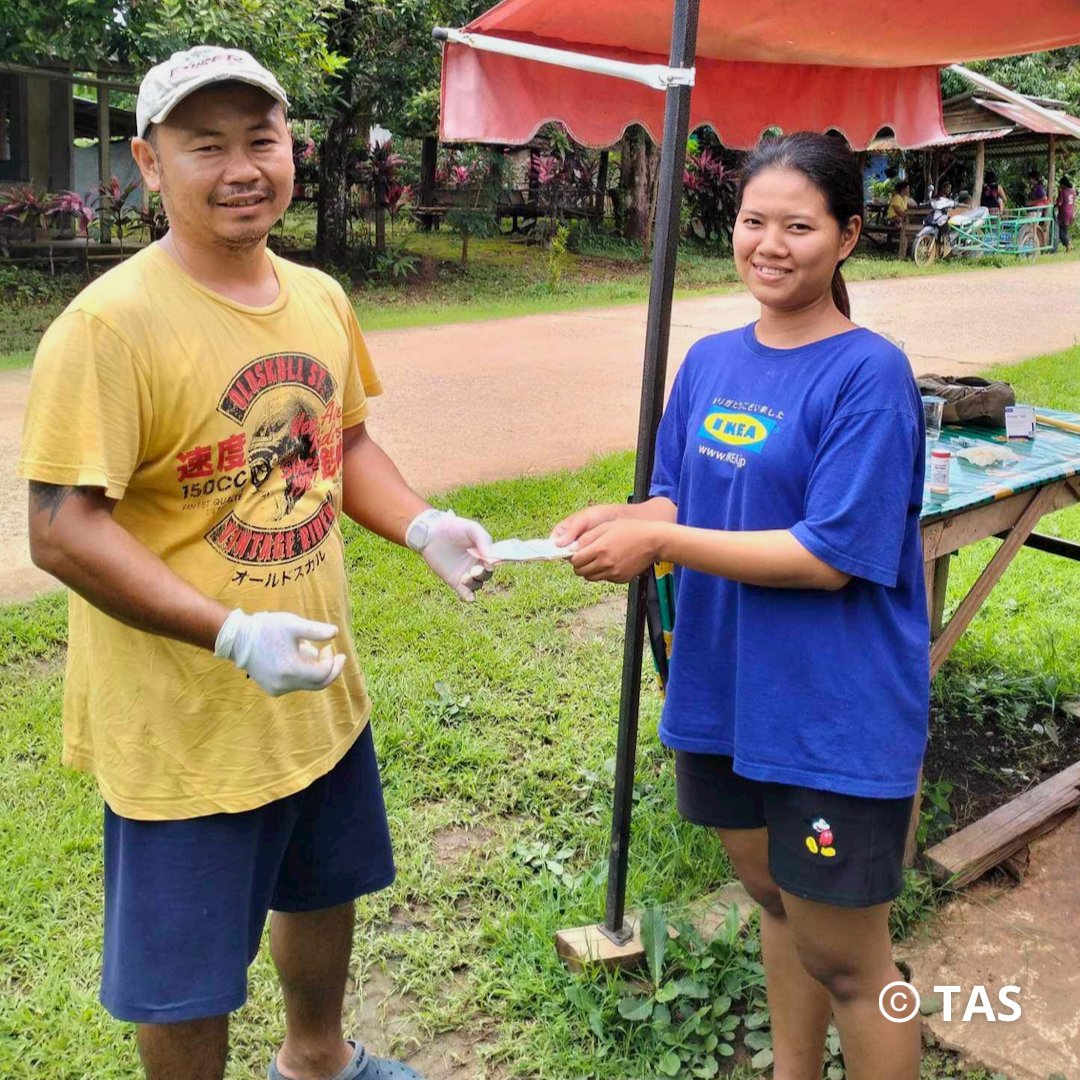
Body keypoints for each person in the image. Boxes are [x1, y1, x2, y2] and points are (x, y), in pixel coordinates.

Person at [18, 46, 495, 1080]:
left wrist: (419, 526)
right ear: (149, 163)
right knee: (187, 974)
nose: (241, 167)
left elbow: (344, 443)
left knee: (323, 888)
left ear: (293, 148)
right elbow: (59, 527)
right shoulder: (109, 327)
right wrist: (230, 633)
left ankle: (318, 1062)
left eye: (260, 140)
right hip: (184, 727)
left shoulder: (318, 295)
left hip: (317, 690)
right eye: (206, 146)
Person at [552, 132, 928, 1080]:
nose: (770, 243)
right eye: (754, 220)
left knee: (853, 961)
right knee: (776, 906)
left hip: (829, 717)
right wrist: (634, 517)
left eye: (799, 224)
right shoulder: (712, 361)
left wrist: (664, 542)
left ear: (846, 237)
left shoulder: (868, 375)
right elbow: (676, 494)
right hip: (724, 696)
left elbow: (828, 556)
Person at [1055, 175, 1075, 251]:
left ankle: (1068, 244)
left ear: (1063, 184)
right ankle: (1068, 246)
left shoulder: (1063, 191)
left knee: (1061, 232)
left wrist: (1058, 193)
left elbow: (1059, 203)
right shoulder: (1072, 191)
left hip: (1064, 213)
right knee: (1065, 230)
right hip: (1071, 213)